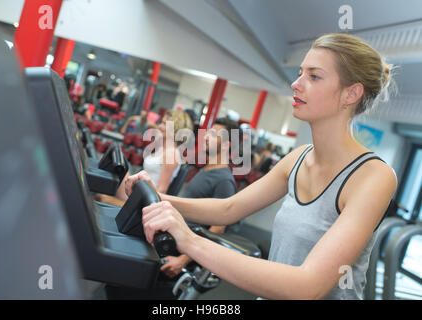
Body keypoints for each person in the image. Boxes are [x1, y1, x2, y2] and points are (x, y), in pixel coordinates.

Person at [125, 33, 398, 300]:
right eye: (300, 73)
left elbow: (308, 287)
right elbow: (229, 209)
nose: (295, 84)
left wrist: (191, 241)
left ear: (351, 93)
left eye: (313, 76)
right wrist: (158, 198)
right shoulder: (299, 157)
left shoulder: (373, 176)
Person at [160, 117, 240, 279]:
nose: (207, 137)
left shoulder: (224, 180)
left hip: (179, 252)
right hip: (170, 237)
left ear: (226, 145)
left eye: (214, 134)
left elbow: (217, 231)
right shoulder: (206, 169)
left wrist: (182, 261)